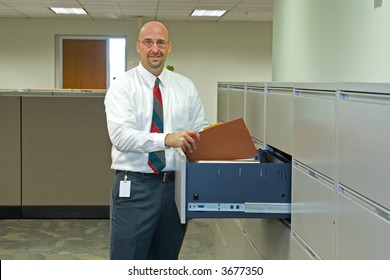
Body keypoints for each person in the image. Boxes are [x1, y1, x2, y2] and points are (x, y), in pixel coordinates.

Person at [104, 21, 210, 260]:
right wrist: (167, 139)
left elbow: (200, 128)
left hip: (176, 187)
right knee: (127, 261)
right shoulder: (122, 86)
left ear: (169, 47)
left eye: (161, 42)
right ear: (138, 47)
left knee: (165, 261)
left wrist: (215, 138)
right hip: (135, 187)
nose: (155, 48)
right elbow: (121, 136)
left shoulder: (185, 86)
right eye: (149, 42)